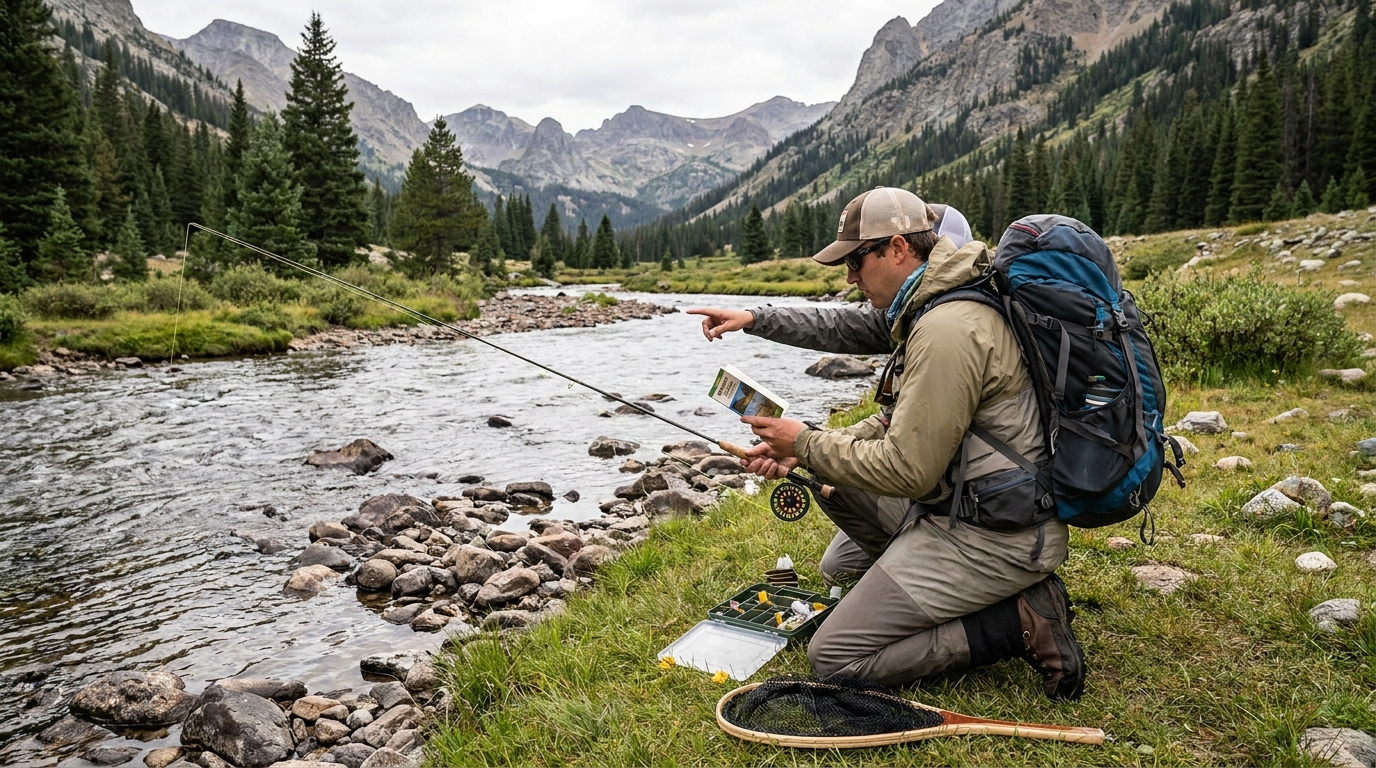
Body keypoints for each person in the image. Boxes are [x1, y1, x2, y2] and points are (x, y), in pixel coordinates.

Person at [686, 187, 1085, 701]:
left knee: (832, 658)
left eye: (856, 261)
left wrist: (806, 443)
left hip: (996, 533)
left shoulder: (947, 329)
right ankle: (963, 591)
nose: (849, 277)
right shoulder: (932, 302)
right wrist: (800, 447)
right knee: (839, 562)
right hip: (969, 504)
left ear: (897, 248)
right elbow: (890, 409)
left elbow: (908, 470)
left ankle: (1016, 619)